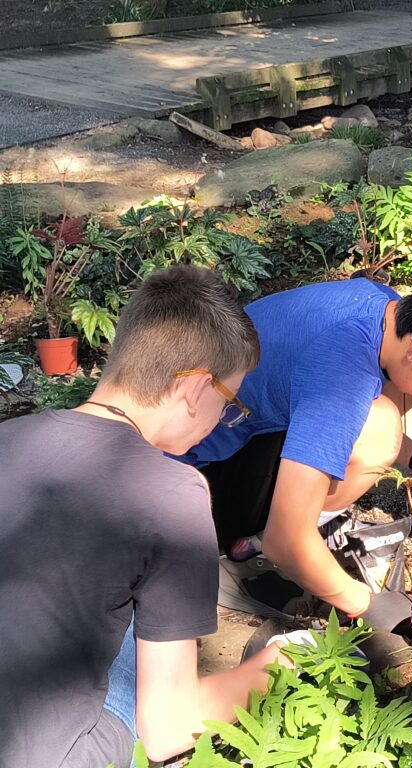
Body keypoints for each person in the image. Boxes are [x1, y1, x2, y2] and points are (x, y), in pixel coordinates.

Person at [0, 265, 287, 768]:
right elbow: (166, 730)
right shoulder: (174, 492)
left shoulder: (10, 435)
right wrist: (273, 667)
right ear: (196, 389)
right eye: (230, 402)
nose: (225, 419)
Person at [178, 278, 412, 626]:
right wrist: (364, 605)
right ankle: (243, 561)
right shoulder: (341, 372)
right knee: (382, 427)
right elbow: (286, 541)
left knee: (388, 403)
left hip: (224, 435)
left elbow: (353, 412)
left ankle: (284, 526)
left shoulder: (386, 308)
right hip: (192, 488)